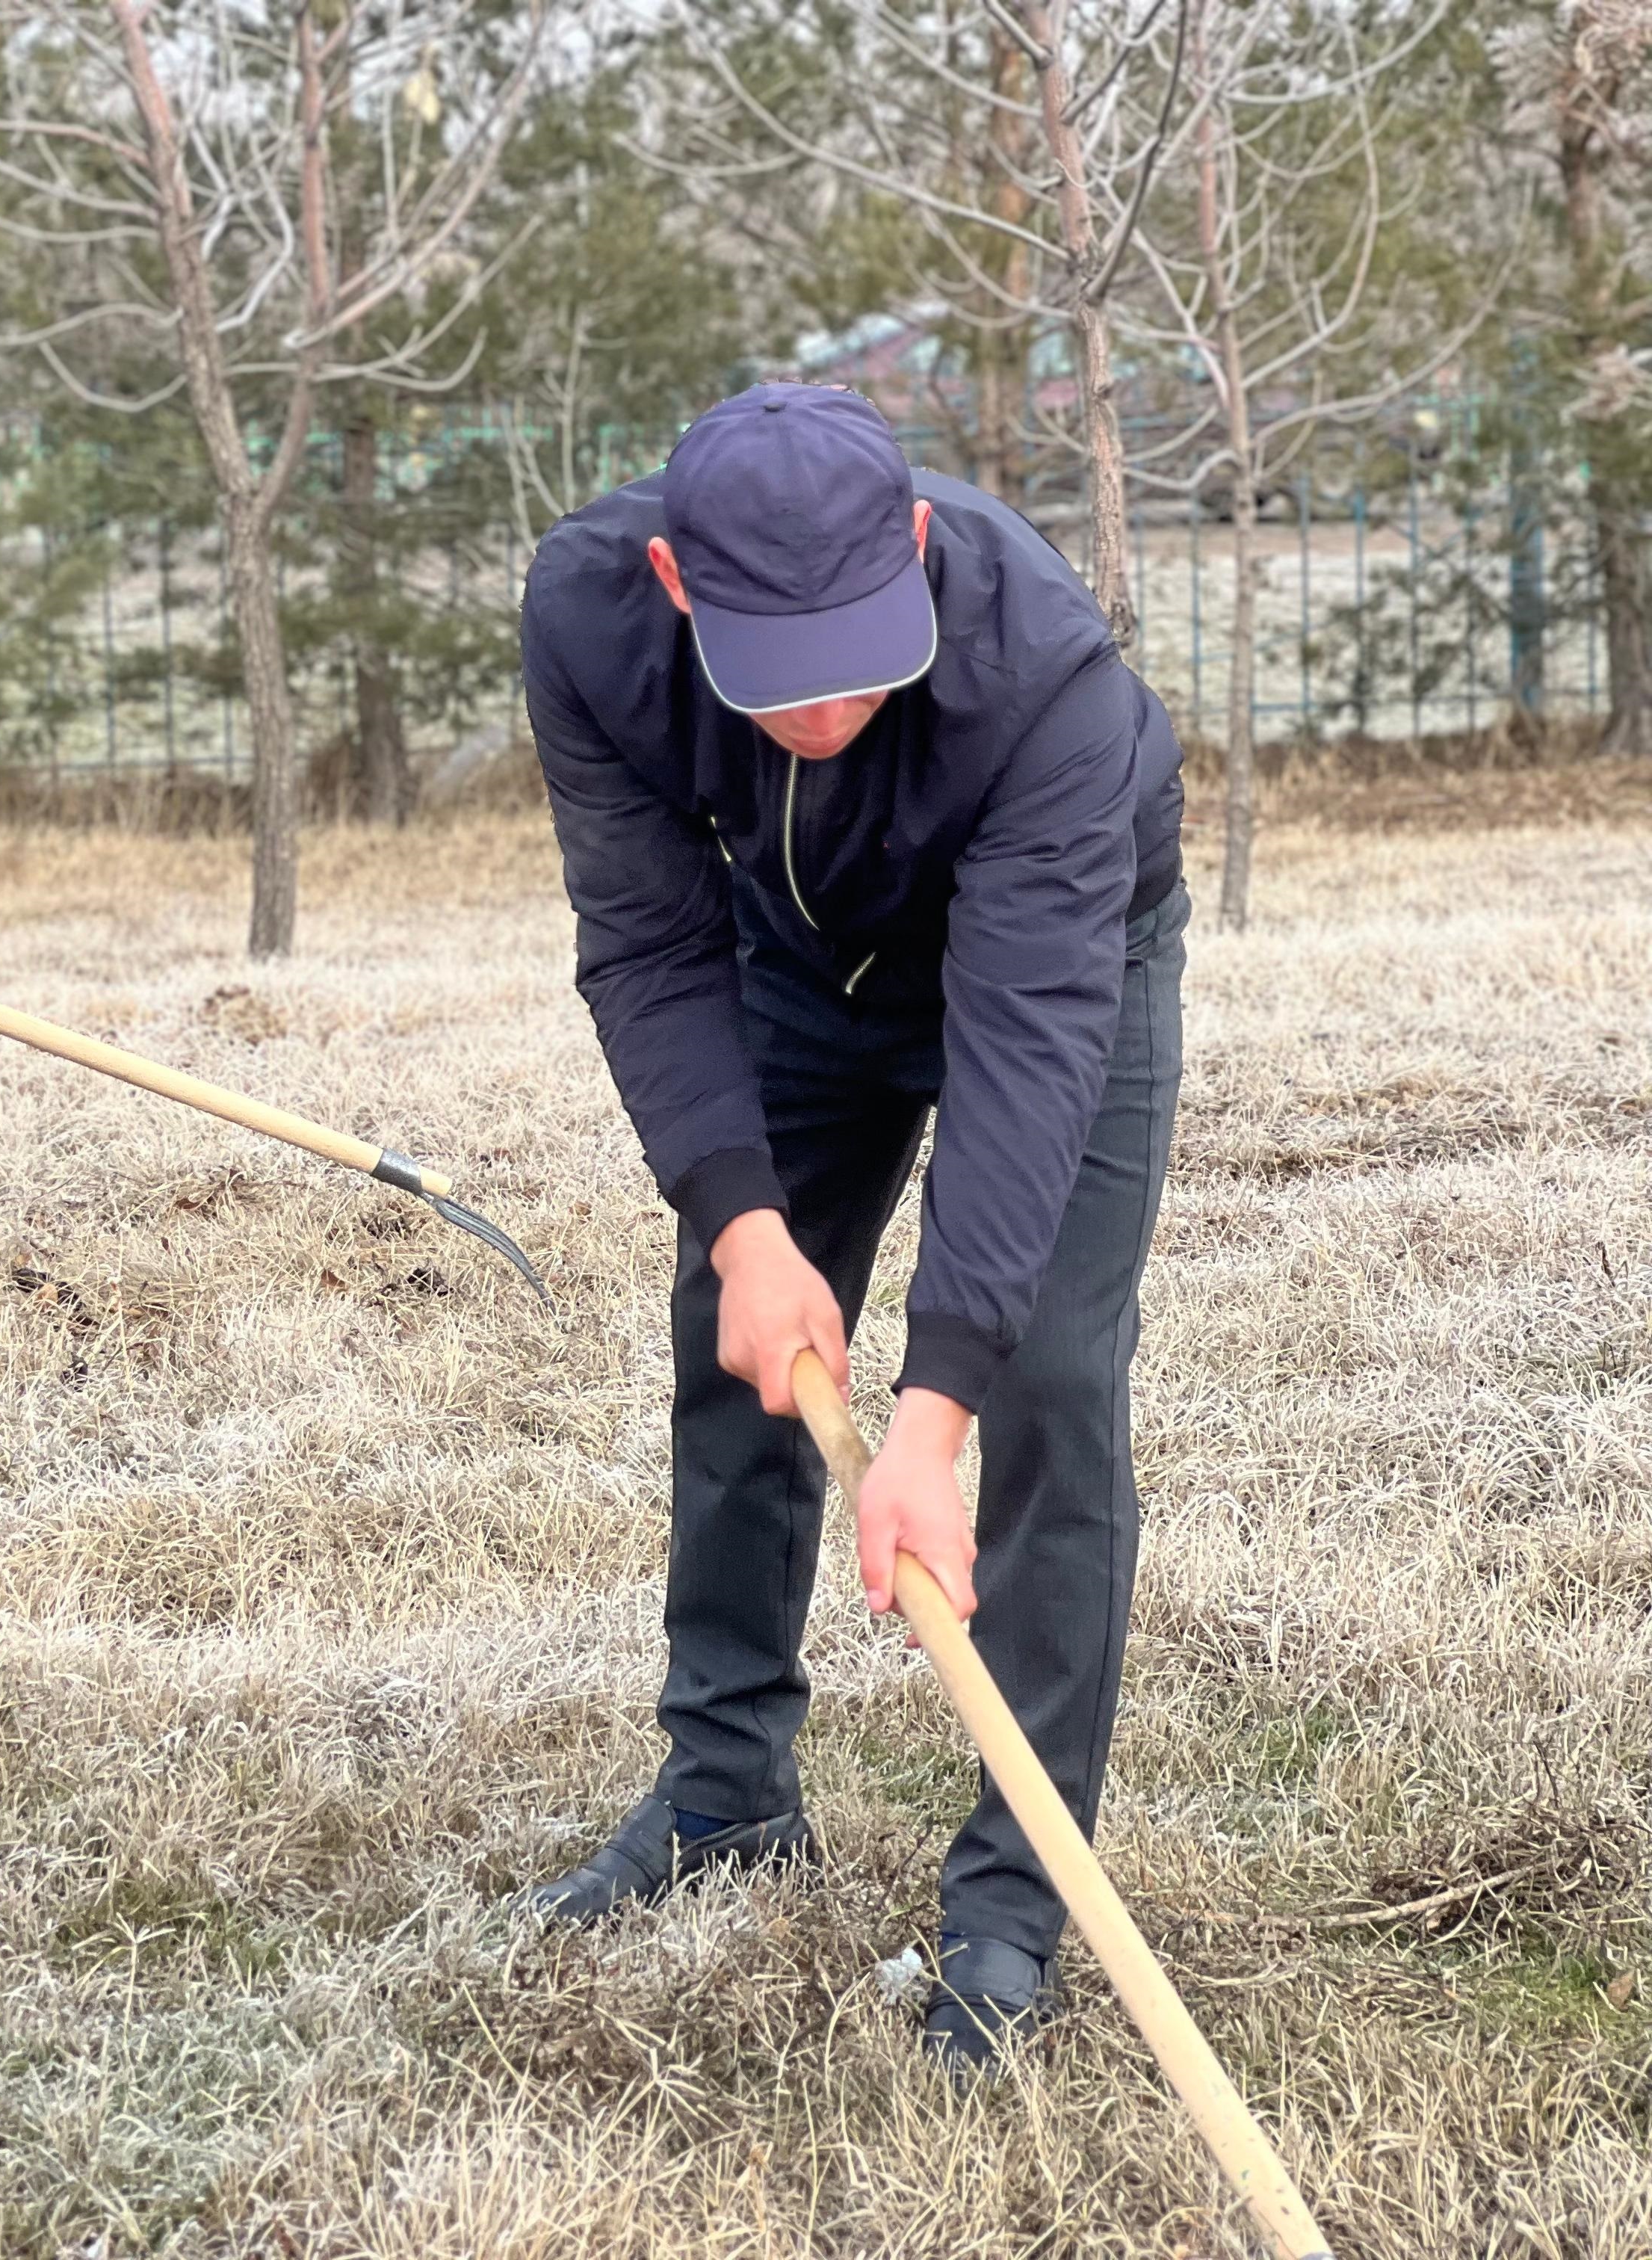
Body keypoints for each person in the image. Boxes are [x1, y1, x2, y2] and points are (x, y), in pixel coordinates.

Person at [515, 383, 1187, 2072]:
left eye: (856, 654)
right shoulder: (592, 617)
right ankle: (724, 1794)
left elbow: (1031, 1052)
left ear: (912, 551)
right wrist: (746, 1230)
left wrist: (930, 1412)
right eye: (775, 666)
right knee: (739, 1339)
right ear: (678, 585)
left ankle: (1018, 1897)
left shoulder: (1044, 672)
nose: (820, 707)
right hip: (798, 966)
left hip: (1059, 960)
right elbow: (652, 946)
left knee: (1043, 1377)